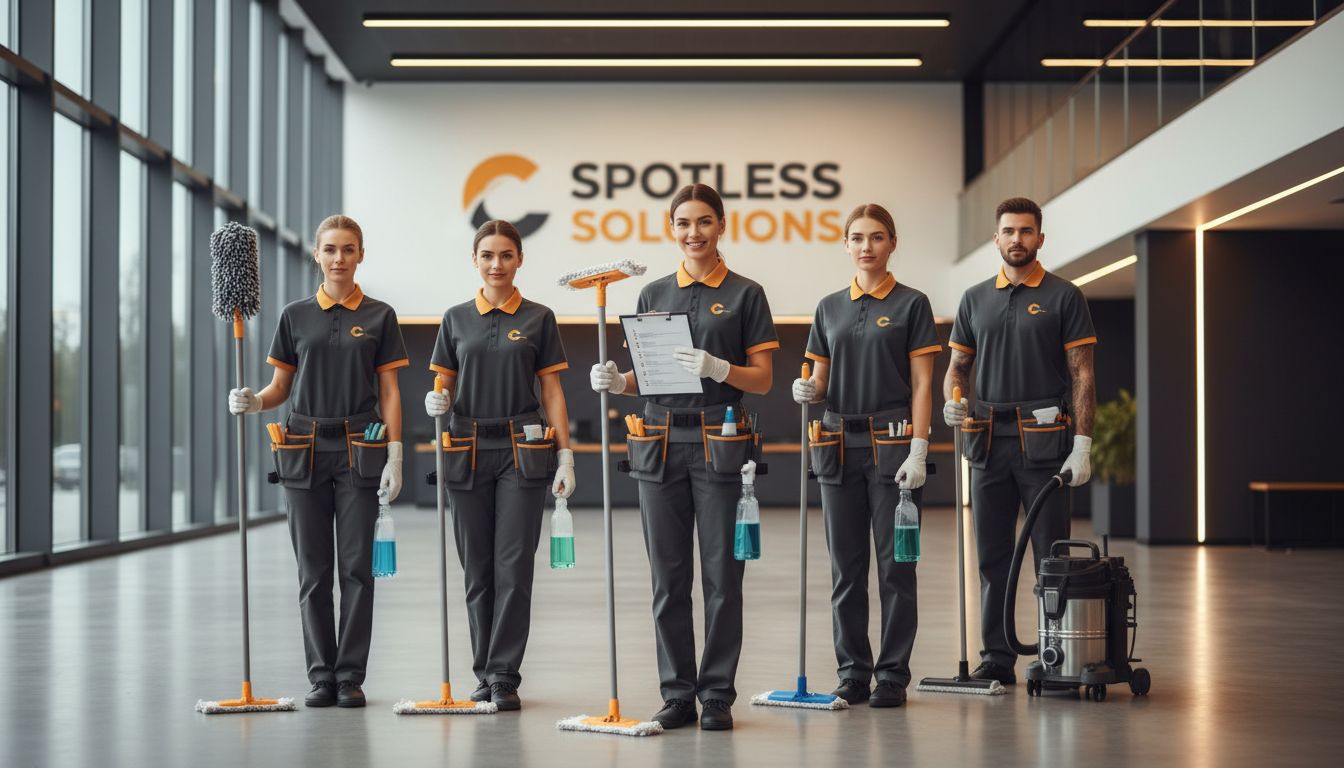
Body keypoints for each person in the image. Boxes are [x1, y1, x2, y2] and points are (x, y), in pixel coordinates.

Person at [590, 183, 778, 731]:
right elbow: (645, 378)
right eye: (682, 223)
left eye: (703, 222)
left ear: (722, 226)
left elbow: (763, 380)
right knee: (668, 576)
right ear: (670, 229)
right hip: (658, 443)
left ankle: (716, 695)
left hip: (720, 443)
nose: (692, 233)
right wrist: (615, 382)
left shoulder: (747, 294)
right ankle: (677, 693)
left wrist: (718, 368)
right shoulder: (651, 294)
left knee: (723, 575)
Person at [228, 214, 409, 709]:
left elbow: (390, 392)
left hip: (360, 450)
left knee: (355, 570)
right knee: (313, 571)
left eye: (348, 249)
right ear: (317, 255)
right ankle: (320, 676)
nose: (339, 258)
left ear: (360, 254)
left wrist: (395, 451)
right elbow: (280, 389)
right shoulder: (294, 316)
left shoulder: (380, 315)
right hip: (302, 450)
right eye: (330, 249)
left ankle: (350, 676)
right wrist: (253, 401)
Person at [792, 203, 941, 708]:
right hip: (836, 446)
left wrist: (920, 446)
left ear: (892, 243)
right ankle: (853, 671)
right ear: (846, 244)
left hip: (893, 444)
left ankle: (893, 675)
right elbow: (819, 378)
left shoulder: (912, 304)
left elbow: (923, 384)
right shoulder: (828, 306)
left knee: (896, 567)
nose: (866, 246)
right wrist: (806, 389)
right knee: (846, 569)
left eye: (876, 237)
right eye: (857, 237)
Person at [943, 196, 1097, 685]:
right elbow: (958, 368)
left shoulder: (1064, 296)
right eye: (1008, 231)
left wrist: (1083, 442)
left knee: (1051, 556)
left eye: (1026, 231)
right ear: (996, 238)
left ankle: (1056, 655)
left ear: (1040, 238)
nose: (1017, 240)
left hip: (1046, 445)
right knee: (991, 557)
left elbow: (1082, 374)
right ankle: (997, 656)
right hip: (986, 443)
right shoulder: (973, 298)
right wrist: (954, 399)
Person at [422, 219, 575, 712]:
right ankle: (482, 670)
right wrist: (436, 400)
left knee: (513, 566)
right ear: (475, 260)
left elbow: (551, 391)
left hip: (522, 449)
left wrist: (566, 453)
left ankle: (504, 676)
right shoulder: (455, 319)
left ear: (519, 260)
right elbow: (443, 382)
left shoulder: (539, 317)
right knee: (477, 570)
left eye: (505, 255)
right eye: (487, 255)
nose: (496, 264)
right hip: (465, 447)